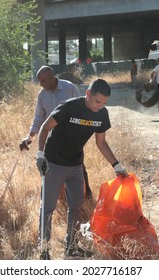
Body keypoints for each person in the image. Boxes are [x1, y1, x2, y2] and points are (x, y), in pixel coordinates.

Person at [36, 78, 129, 259]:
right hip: (54, 163)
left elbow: (101, 142)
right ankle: (44, 249)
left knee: (76, 206)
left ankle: (72, 246)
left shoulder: (102, 114)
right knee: (48, 207)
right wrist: (40, 154)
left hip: (76, 164)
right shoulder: (69, 107)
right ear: (88, 94)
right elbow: (45, 128)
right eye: (97, 101)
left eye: (104, 103)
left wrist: (116, 165)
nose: (100, 106)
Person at [19, 66, 93, 199]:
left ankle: (86, 197)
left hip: (72, 139)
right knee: (49, 171)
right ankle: (50, 200)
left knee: (79, 168)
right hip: (52, 141)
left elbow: (83, 111)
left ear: (52, 78)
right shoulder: (42, 94)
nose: (41, 84)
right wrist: (29, 137)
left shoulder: (70, 89)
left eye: (43, 81)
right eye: (39, 81)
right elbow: (39, 118)